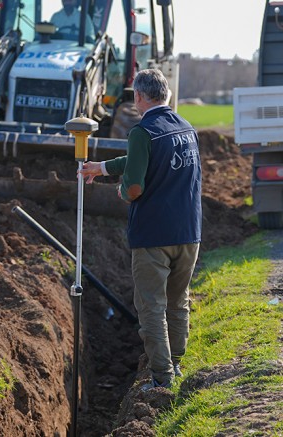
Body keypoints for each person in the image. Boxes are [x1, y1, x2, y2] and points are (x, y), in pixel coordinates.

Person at [79, 69, 202, 390]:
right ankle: (175, 363)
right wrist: (102, 168)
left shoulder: (142, 131)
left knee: (151, 307)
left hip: (153, 235)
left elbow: (133, 186)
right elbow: (145, 159)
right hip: (189, 232)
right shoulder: (186, 129)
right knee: (178, 302)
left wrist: (120, 191)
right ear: (167, 95)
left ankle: (162, 378)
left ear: (138, 97)